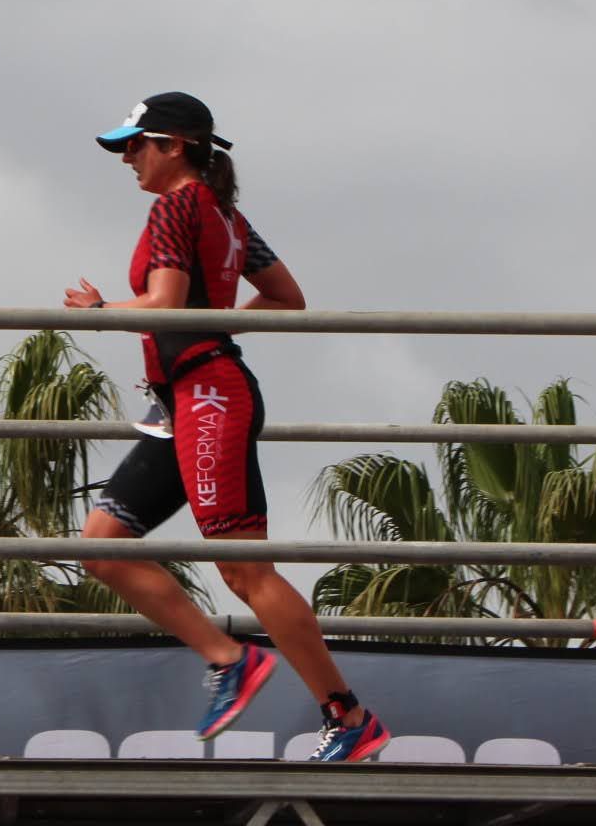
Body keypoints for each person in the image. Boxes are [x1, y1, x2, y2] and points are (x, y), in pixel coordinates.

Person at [64, 91, 390, 763]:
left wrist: (101, 310)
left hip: (208, 395)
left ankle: (348, 715)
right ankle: (227, 658)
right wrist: (209, 329)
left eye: (134, 145)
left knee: (245, 572)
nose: (127, 159)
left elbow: (164, 304)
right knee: (101, 548)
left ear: (172, 145)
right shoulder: (225, 213)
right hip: (185, 400)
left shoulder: (176, 206)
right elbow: (285, 297)